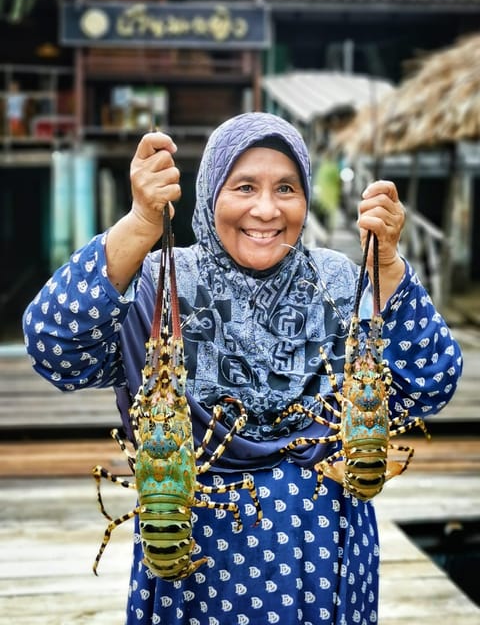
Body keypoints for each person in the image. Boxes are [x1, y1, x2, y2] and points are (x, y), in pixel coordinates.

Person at [23, 112, 462, 625]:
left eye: (287, 188)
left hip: (323, 552)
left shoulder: (342, 281)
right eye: (244, 186)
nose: (266, 209)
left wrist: (388, 268)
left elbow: (429, 384)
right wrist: (142, 223)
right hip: (195, 557)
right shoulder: (158, 282)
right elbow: (56, 349)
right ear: (210, 193)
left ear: (305, 198)